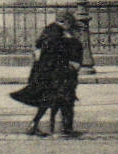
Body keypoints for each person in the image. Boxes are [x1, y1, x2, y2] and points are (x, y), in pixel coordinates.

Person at [11, 10, 84, 138]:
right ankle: (62, 129)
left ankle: (40, 126)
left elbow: (39, 47)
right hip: (54, 74)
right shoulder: (57, 33)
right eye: (70, 24)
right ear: (66, 22)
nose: (70, 27)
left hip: (47, 73)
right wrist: (70, 43)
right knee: (60, 98)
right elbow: (57, 52)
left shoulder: (50, 30)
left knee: (51, 100)